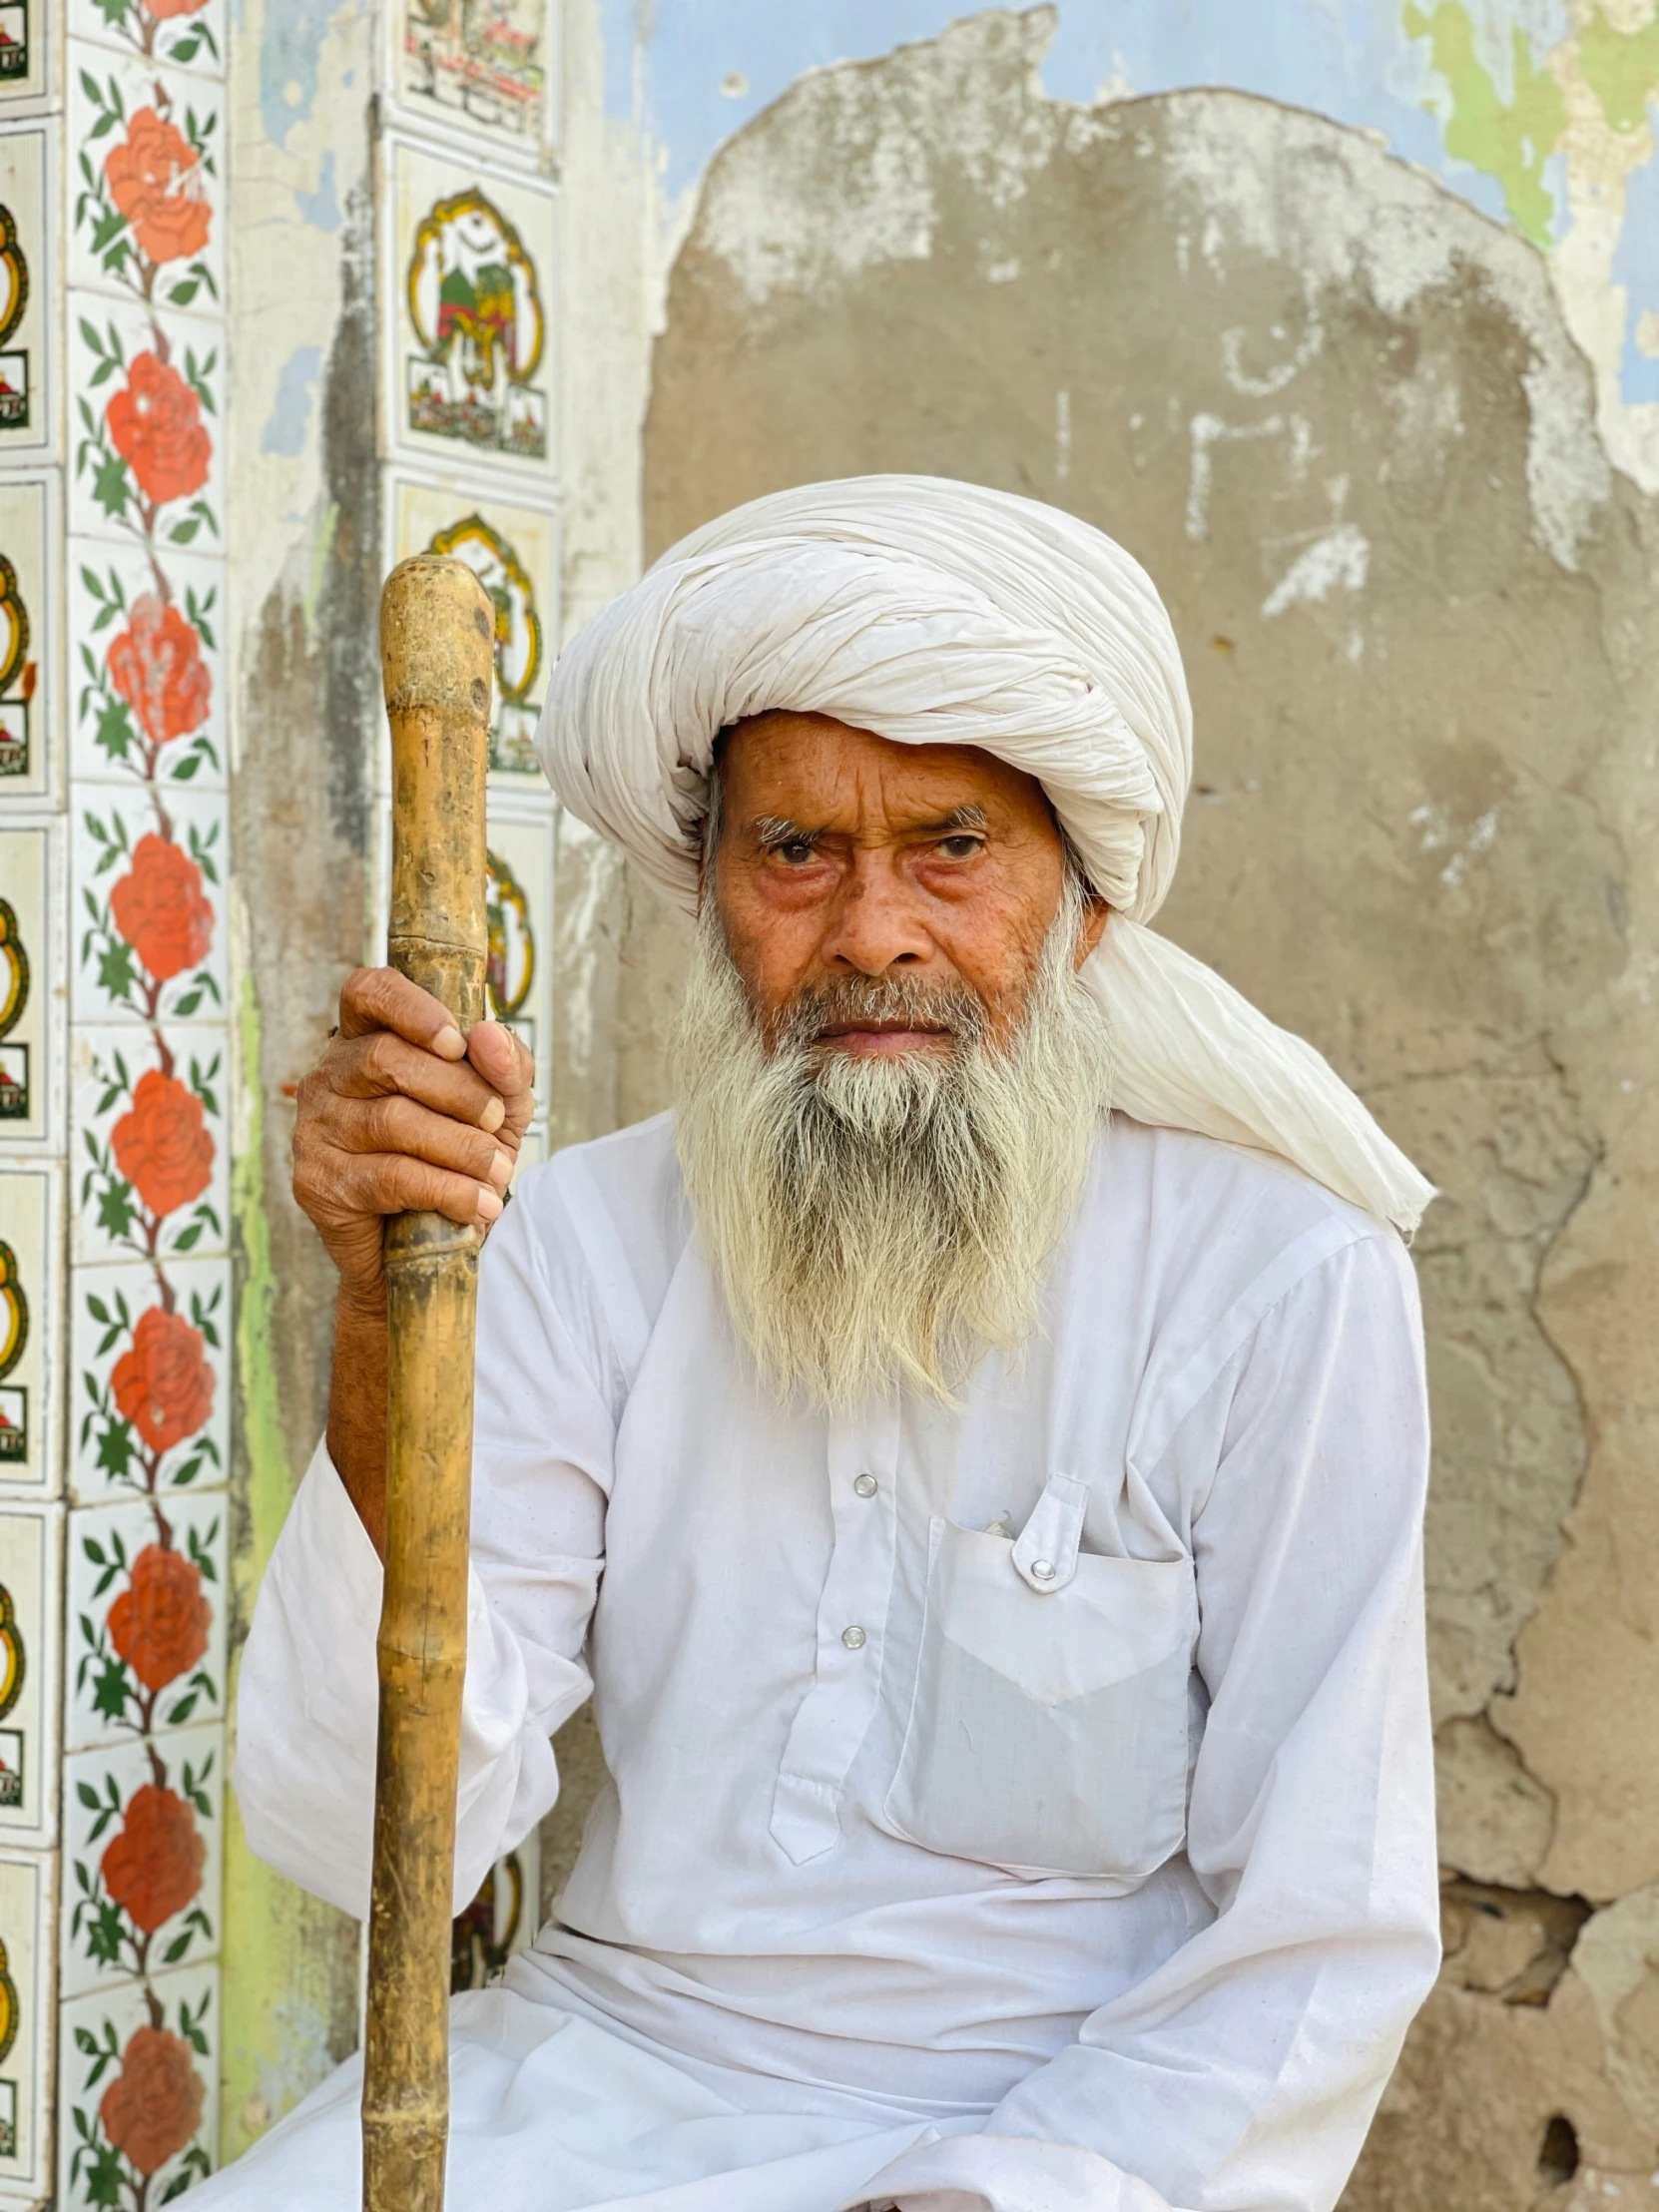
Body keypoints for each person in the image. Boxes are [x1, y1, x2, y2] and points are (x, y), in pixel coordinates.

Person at [202, 478, 1439, 2212]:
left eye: (951, 847)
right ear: (710, 901)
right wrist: (373, 1299)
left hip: (1054, 2132)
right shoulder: (581, 1245)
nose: (872, 931)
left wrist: (1006, 2193)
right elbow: (359, 1832)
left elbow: (1323, 1935)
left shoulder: (1283, 1281)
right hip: (593, 2080)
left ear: (1081, 908)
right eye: (795, 853)